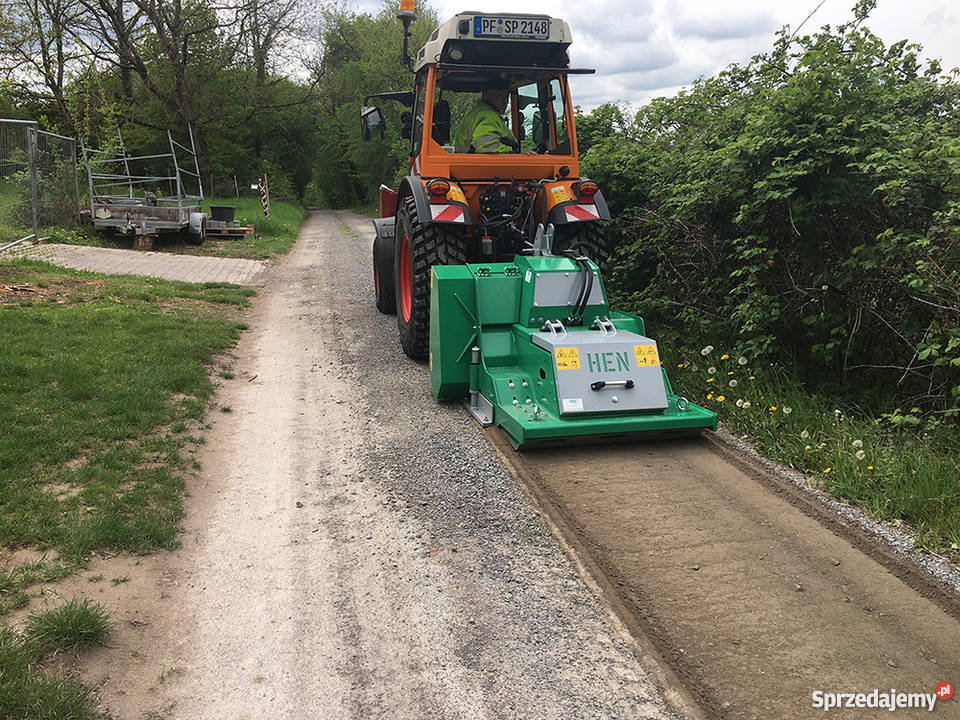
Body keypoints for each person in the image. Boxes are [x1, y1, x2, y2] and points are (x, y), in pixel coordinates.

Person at [453, 78, 537, 154]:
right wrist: (516, 157)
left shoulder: (479, 113)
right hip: (480, 166)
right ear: (486, 95)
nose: (505, 101)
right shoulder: (487, 116)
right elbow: (488, 148)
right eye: (500, 95)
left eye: (506, 96)